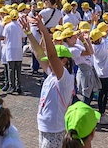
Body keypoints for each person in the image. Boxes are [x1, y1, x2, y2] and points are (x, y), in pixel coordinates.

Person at [24, 13, 75, 148]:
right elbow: (40, 54)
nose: (49, 62)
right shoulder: (51, 74)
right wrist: (29, 33)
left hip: (55, 130)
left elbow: (52, 56)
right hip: (45, 128)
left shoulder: (65, 79)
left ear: (64, 61)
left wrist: (44, 31)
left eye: (54, 61)